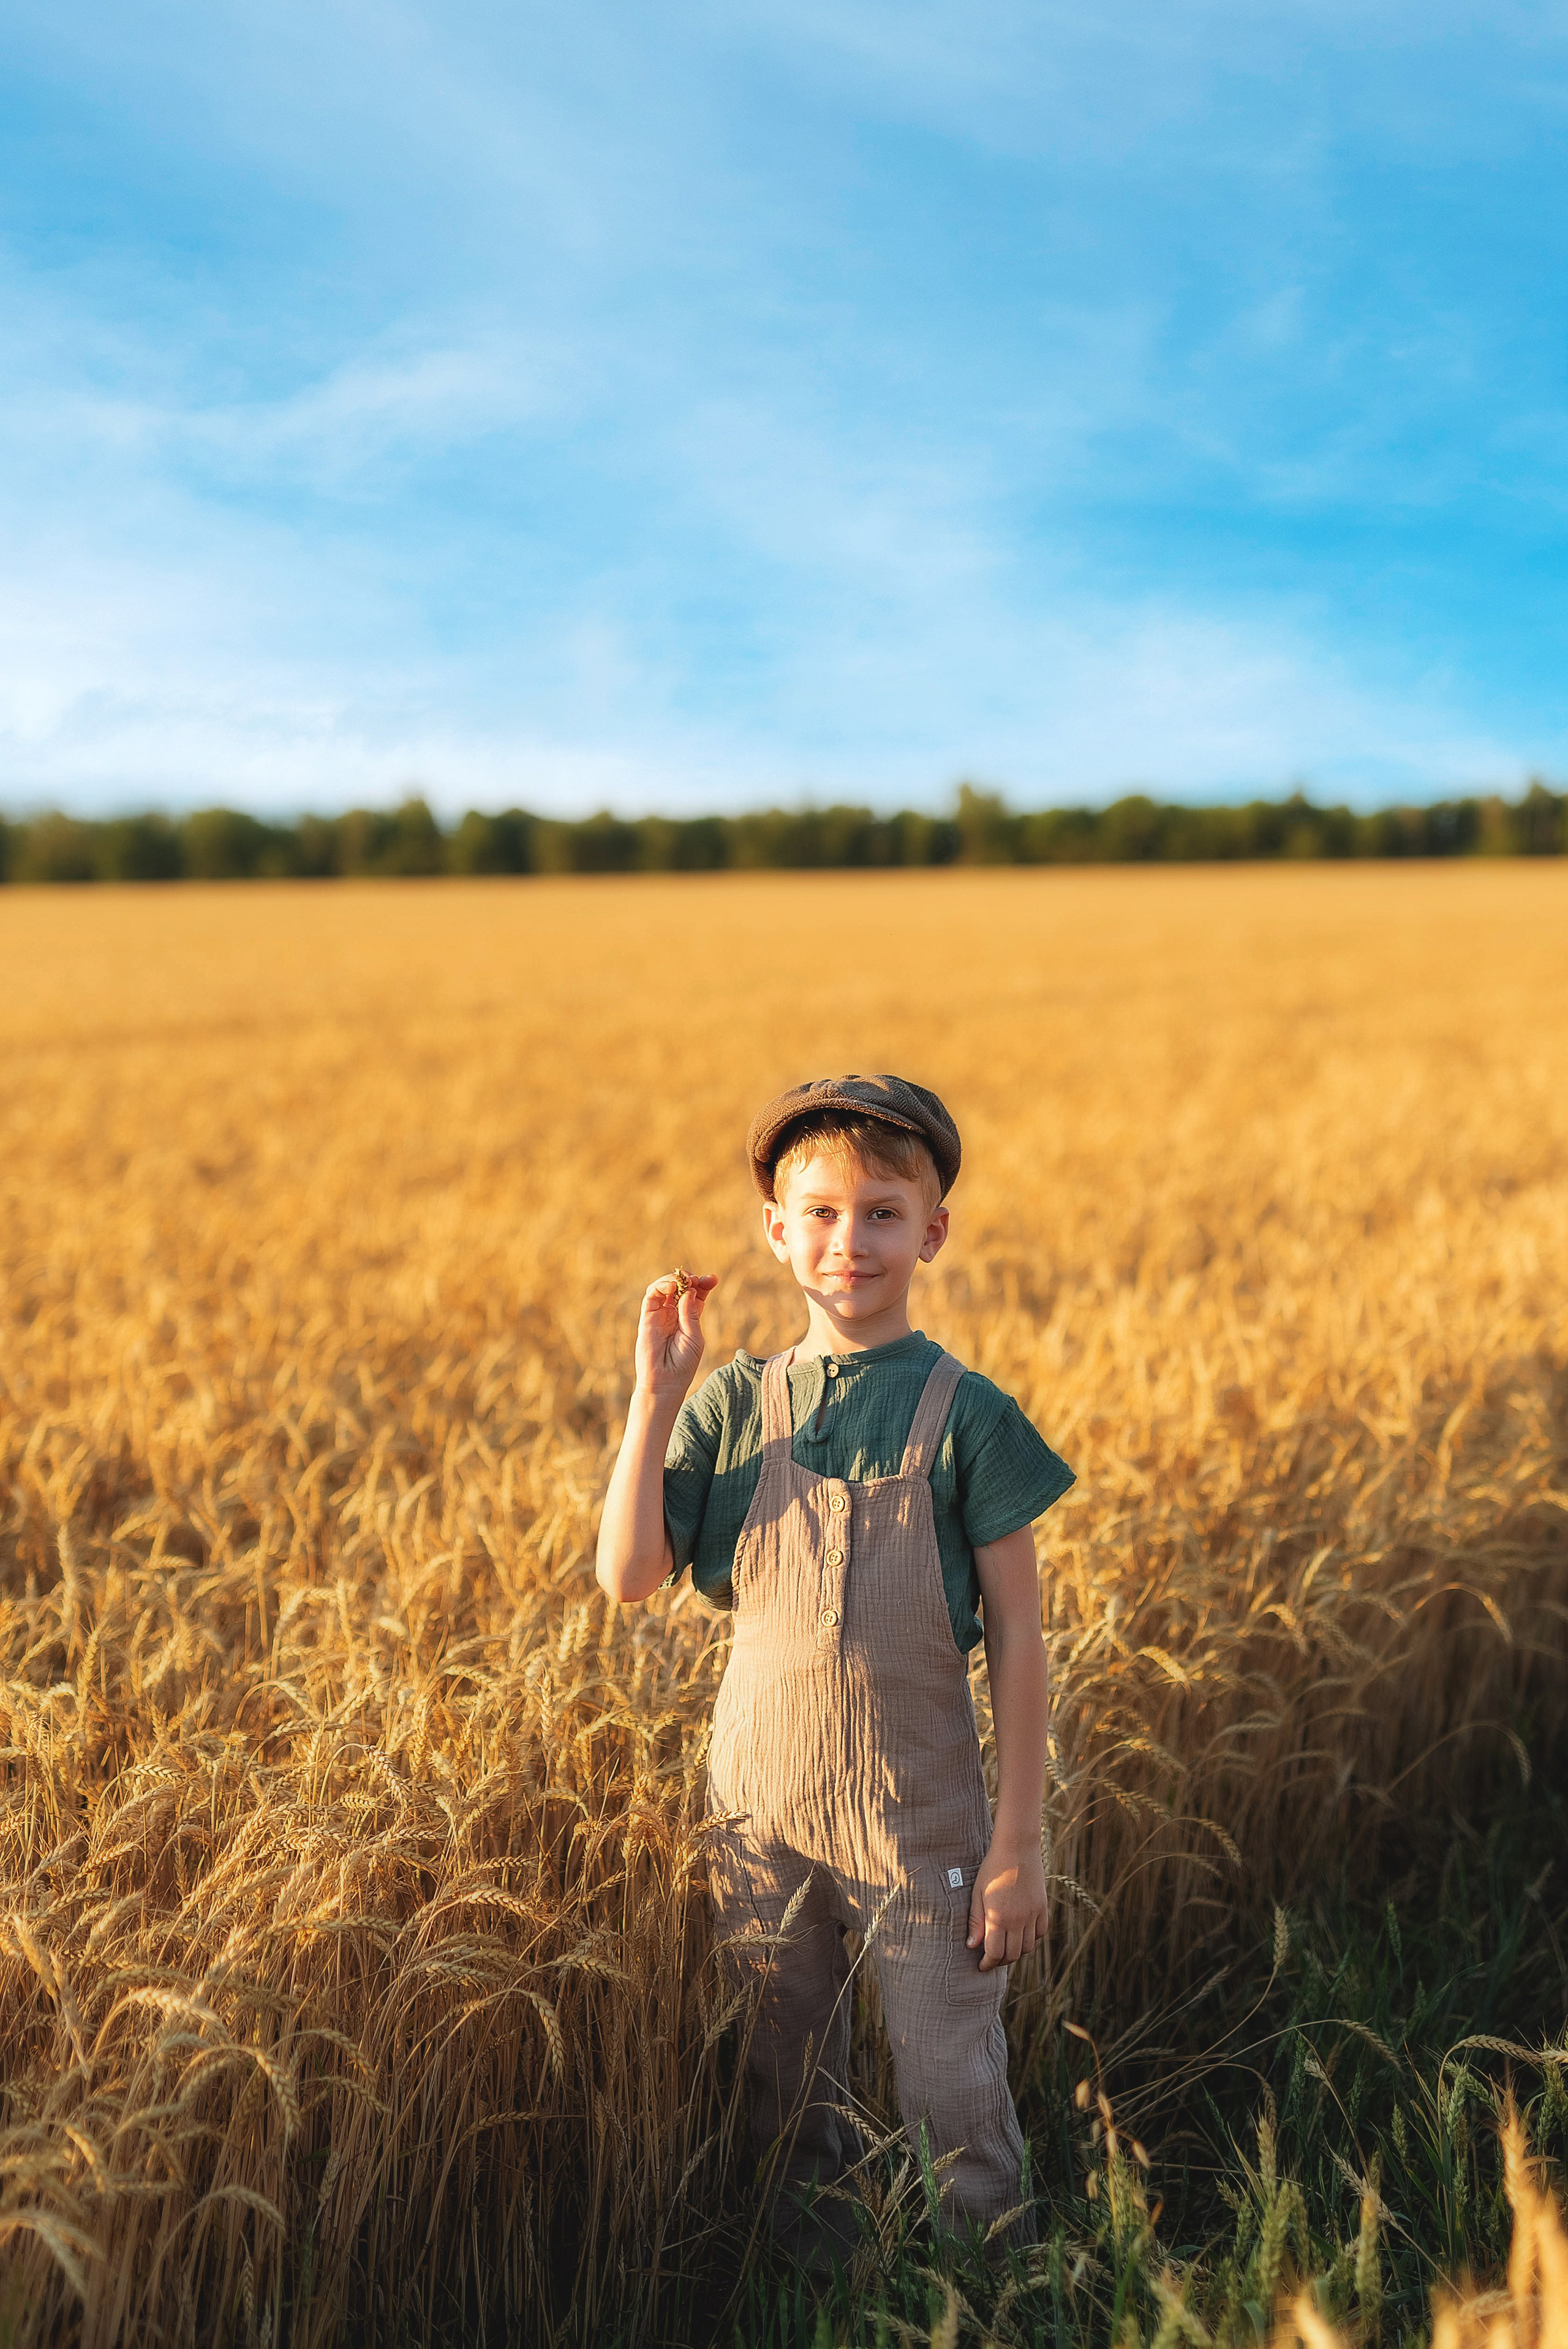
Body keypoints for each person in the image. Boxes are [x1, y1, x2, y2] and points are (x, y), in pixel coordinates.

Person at [595, 1073, 1074, 2260]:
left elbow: (1018, 1633)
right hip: (755, 1808)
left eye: (878, 1213)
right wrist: (653, 1399)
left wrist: (1019, 1837)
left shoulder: (966, 1416)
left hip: (921, 1816)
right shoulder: (732, 1406)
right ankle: (813, 2288)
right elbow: (628, 1573)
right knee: (779, 2066)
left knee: (949, 2071)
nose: (845, 1241)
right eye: (816, 1212)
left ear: (931, 1231)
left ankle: (987, 2286)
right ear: (774, 1230)